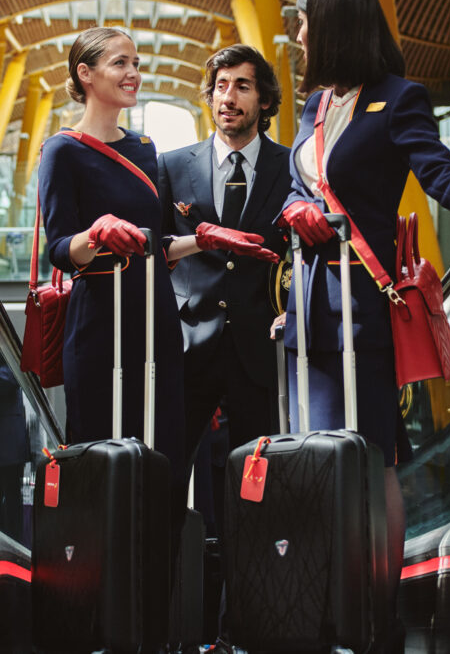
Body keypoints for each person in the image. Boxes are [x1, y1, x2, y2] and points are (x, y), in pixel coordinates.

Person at [282, 0, 450, 640]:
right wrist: (295, 207)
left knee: (374, 454)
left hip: (365, 300)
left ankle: (378, 595)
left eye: (305, 24)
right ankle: (330, 588)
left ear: (336, 26)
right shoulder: (317, 106)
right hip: (310, 306)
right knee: (321, 453)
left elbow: (438, 171)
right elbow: (287, 185)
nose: (299, 37)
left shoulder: (399, 98)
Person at [38, 28, 277, 467]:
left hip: (157, 323)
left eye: (136, 64)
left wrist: (202, 238)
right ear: (85, 74)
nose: (133, 74)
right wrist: (96, 234)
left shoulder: (145, 149)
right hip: (100, 323)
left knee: (159, 458)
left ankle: (158, 540)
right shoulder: (61, 151)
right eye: (120, 63)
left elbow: (153, 246)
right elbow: (58, 249)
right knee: (100, 459)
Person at [158, 44, 290, 533]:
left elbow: (302, 252)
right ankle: (169, 596)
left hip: (261, 349)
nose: (227, 97)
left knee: (261, 484)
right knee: (168, 478)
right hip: (189, 345)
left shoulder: (290, 166)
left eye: (242, 86)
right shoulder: (171, 166)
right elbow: (156, 248)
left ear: (265, 100)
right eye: (219, 86)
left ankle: (254, 598)